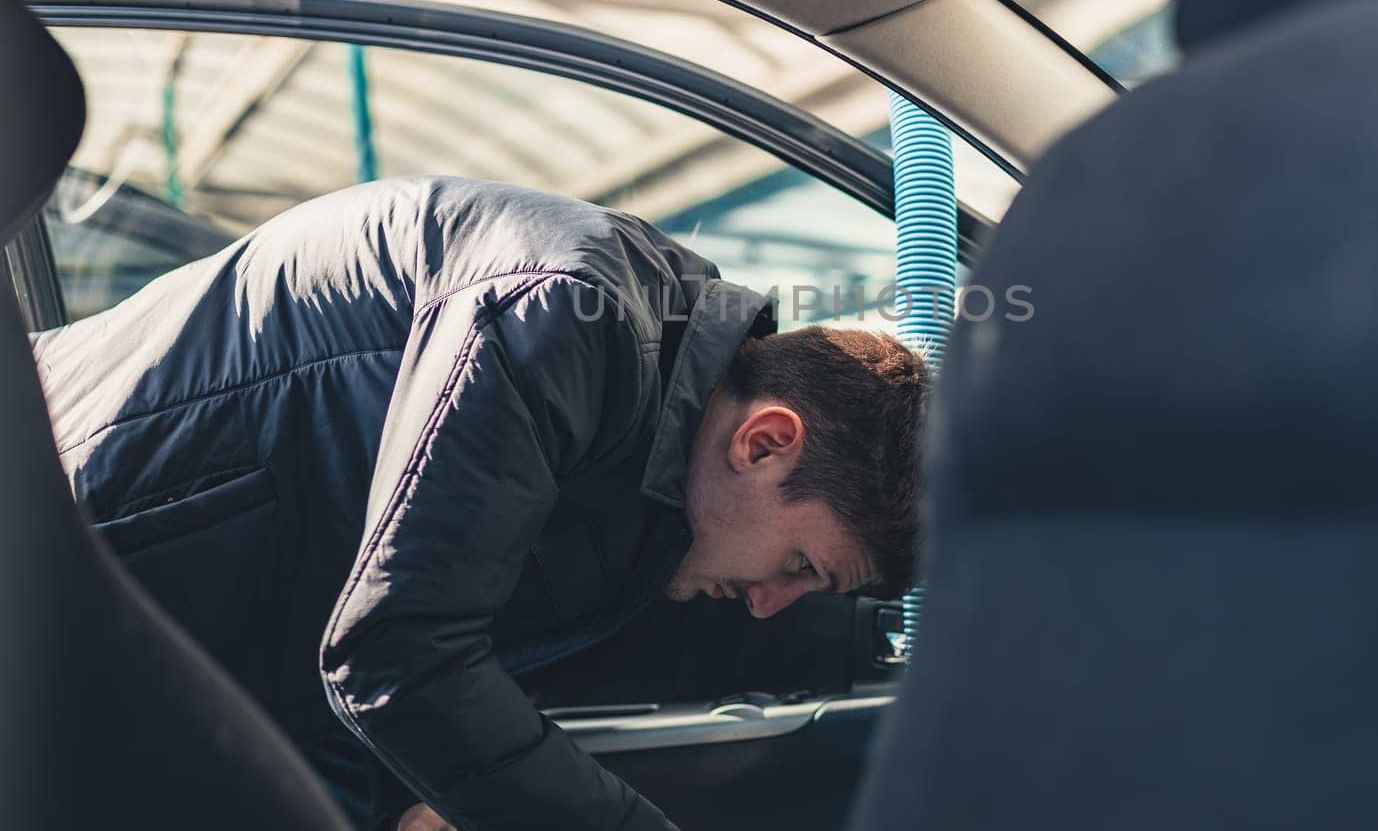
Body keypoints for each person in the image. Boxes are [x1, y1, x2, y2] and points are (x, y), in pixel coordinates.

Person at [30, 176, 927, 831]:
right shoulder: (568, 320)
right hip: (44, 557)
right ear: (764, 442)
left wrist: (401, 805)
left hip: (157, 646)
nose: (772, 599)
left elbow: (382, 616)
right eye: (802, 567)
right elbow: (395, 650)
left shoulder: (647, 440)